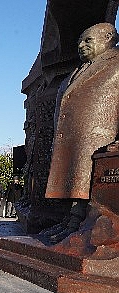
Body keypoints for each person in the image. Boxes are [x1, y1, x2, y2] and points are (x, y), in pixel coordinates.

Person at [44, 23, 119, 243]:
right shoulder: (76, 70)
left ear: (108, 37)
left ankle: (78, 224)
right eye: (80, 41)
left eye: (88, 40)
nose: (81, 45)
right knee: (73, 180)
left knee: (85, 180)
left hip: (99, 138)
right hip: (72, 139)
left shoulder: (116, 63)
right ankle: (70, 222)